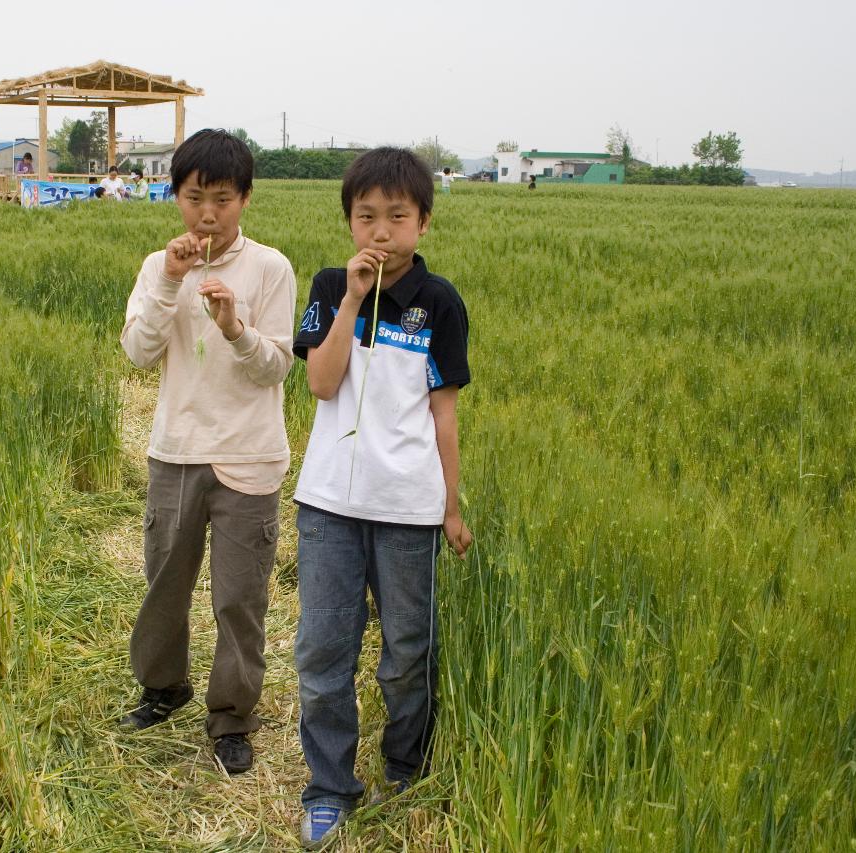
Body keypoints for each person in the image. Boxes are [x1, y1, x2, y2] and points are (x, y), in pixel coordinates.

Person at [291, 147, 473, 848]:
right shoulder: (332, 284)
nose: (381, 230)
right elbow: (321, 382)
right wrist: (351, 300)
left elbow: (444, 414)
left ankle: (405, 765)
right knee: (323, 650)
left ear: (423, 222)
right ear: (349, 221)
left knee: (407, 650)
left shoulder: (440, 303)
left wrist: (452, 506)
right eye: (366, 216)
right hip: (329, 506)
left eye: (397, 216)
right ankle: (329, 786)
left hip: (409, 510)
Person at [118, 128, 297, 777]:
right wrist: (170, 278)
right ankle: (163, 687)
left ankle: (231, 715)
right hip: (175, 451)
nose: (208, 215)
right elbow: (137, 352)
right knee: (164, 583)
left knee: (238, 597)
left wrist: (235, 328)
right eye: (195, 198)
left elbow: (277, 368)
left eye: (222, 198)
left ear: (245, 199)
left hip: (248, 457)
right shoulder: (155, 267)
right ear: (176, 198)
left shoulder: (269, 268)